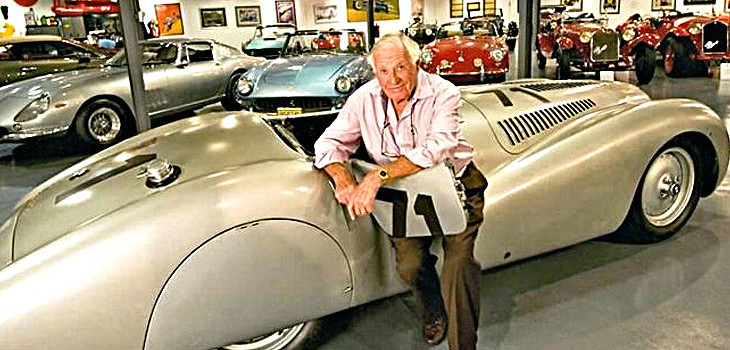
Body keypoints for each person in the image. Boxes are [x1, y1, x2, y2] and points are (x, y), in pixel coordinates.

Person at [313, 32, 487, 349]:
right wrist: (343, 180)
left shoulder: (443, 92)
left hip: (455, 184)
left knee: (458, 265)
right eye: (383, 71)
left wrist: (378, 175)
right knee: (409, 266)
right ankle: (433, 310)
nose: (392, 79)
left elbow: (439, 146)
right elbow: (328, 144)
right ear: (374, 71)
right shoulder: (363, 99)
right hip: (404, 194)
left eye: (400, 68)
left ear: (415, 64)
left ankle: (464, 345)